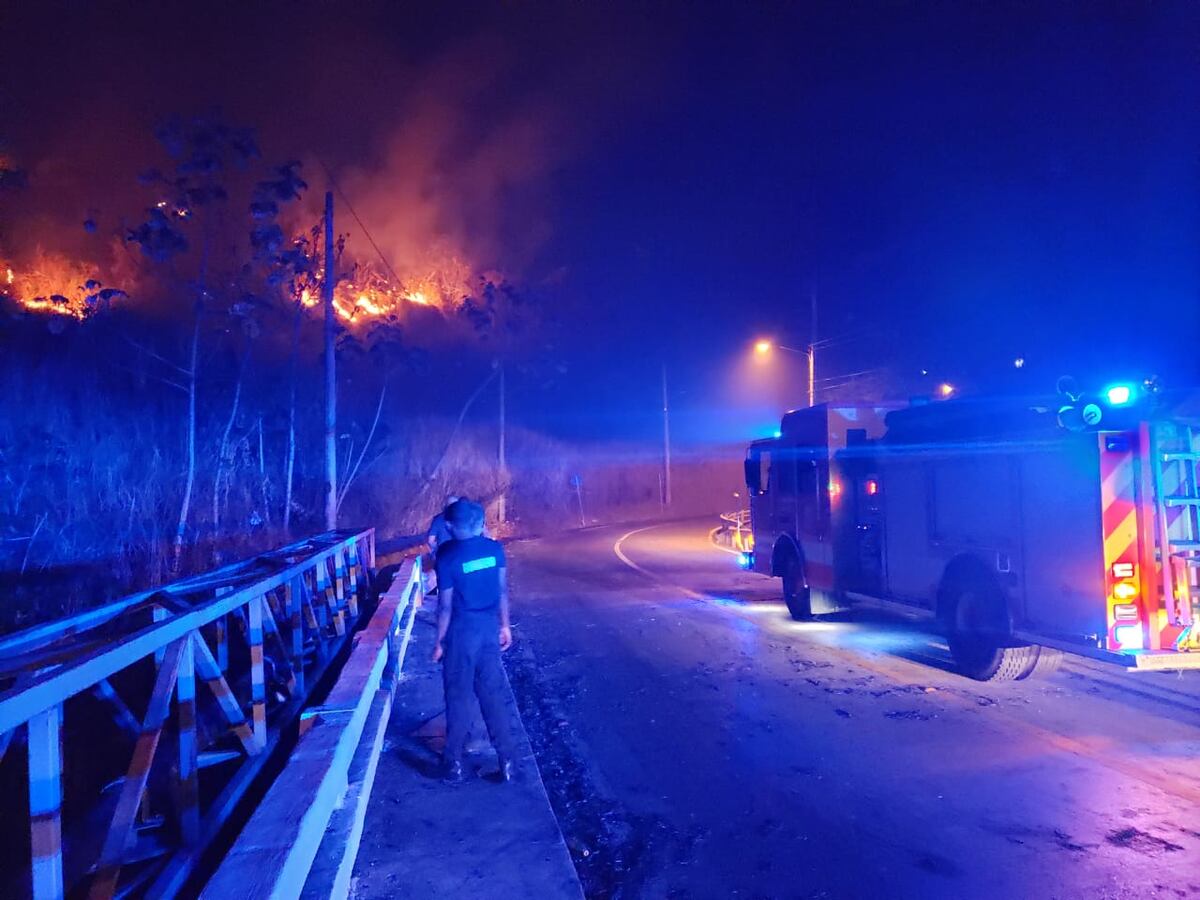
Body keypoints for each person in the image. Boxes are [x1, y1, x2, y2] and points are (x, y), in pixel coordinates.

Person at [433, 498, 517, 784]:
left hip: (460, 631)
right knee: (493, 694)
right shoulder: (495, 549)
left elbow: (444, 606)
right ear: (480, 524)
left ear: (449, 526)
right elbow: (502, 590)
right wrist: (505, 625)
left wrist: (439, 641)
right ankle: (506, 761)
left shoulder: (446, 555)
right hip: (488, 629)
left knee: (458, 696)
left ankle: (453, 764)